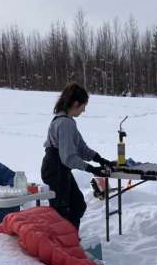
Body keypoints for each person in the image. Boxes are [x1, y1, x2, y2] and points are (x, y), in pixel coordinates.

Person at [41, 83, 114, 229]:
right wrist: (92, 169)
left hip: (59, 168)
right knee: (63, 211)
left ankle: (70, 241)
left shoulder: (67, 122)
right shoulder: (64, 124)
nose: (84, 110)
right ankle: (63, 244)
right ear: (75, 103)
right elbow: (68, 157)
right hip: (56, 170)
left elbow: (80, 148)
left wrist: (100, 159)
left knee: (77, 205)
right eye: (83, 106)